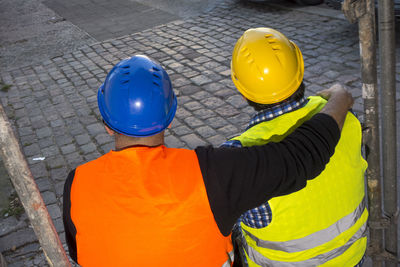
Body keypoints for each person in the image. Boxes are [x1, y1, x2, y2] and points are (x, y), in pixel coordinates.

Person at [62, 54, 354, 267]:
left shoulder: (76, 184)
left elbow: (80, 252)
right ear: (170, 118)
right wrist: (341, 97)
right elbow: (302, 157)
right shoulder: (212, 173)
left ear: (107, 124)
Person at [223, 28, 368, 267]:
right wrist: (333, 96)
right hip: (351, 257)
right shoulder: (345, 117)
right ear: (300, 69)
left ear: (242, 91)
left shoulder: (240, 155)